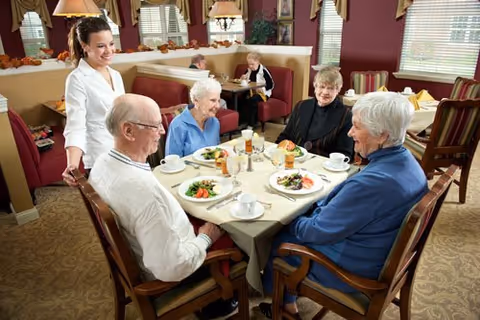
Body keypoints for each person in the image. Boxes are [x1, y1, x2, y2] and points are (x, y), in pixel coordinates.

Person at [257, 92, 429, 318]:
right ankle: (289, 296)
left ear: (382, 135)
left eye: (357, 127)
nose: (350, 132)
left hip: (355, 268)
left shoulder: (373, 184)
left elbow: (316, 232)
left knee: (280, 240)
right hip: (380, 248)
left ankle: (282, 302)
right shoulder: (407, 160)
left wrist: (289, 216)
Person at [88, 93, 238, 317]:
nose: (163, 131)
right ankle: (219, 304)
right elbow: (173, 267)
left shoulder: (100, 164)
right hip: (166, 272)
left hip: (142, 247)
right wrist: (206, 237)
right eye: (155, 125)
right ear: (128, 131)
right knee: (236, 234)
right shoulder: (144, 193)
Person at [62, 17, 125, 186]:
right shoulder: (77, 79)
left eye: (111, 44)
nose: (109, 51)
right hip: (101, 155)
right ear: (85, 46)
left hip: (125, 151)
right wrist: (73, 165)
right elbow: (76, 126)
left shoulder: (116, 75)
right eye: (100, 46)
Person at [275, 66, 353, 159]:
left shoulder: (346, 115)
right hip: (292, 161)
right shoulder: (301, 106)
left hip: (323, 167)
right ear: (315, 86)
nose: (325, 92)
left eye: (331, 88)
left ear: (338, 89)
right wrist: (275, 152)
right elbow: (286, 136)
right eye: (322, 86)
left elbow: (345, 154)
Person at [165, 78, 221, 157]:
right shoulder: (178, 125)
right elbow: (171, 162)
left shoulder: (214, 122)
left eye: (218, 101)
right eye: (213, 100)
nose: (218, 106)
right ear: (196, 100)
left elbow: (216, 153)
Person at [240, 51, 274, 129]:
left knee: (252, 100)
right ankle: (241, 122)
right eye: (249, 64)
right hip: (251, 91)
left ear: (258, 62)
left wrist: (262, 88)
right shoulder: (249, 70)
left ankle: (251, 124)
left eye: (252, 64)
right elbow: (244, 81)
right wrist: (242, 78)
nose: (250, 66)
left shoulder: (263, 71)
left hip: (262, 94)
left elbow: (271, 84)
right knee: (240, 98)